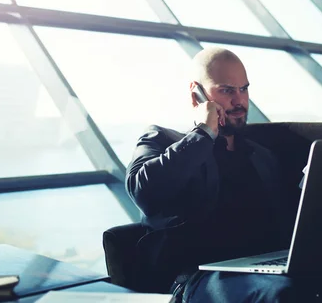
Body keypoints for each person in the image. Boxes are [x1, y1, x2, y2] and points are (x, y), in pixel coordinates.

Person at [126, 47, 300, 302]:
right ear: (197, 95)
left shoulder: (261, 155)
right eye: (227, 90)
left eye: (244, 89)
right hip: (200, 276)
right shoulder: (162, 140)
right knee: (281, 294)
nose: (239, 100)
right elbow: (144, 191)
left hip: (263, 267)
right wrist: (204, 133)